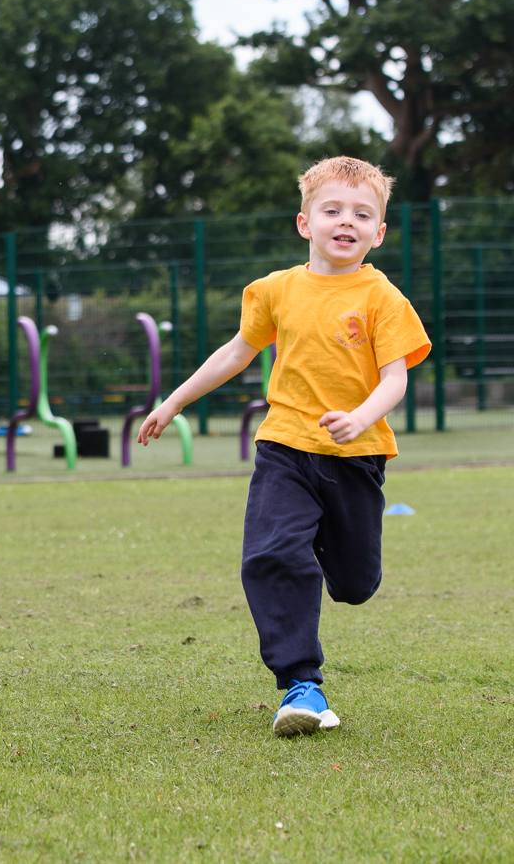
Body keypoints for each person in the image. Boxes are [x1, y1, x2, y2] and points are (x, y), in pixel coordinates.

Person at [139, 156, 430, 737]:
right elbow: (235, 352)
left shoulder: (382, 297)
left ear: (379, 233)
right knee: (269, 555)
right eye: (333, 210)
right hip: (285, 447)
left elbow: (395, 378)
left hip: (356, 455)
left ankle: (325, 555)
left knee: (354, 583)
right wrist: (173, 402)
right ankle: (302, 684)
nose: (346, 221)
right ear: (305, 223)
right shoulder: (275, 291)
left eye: (361, 214)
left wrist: (360, 416)